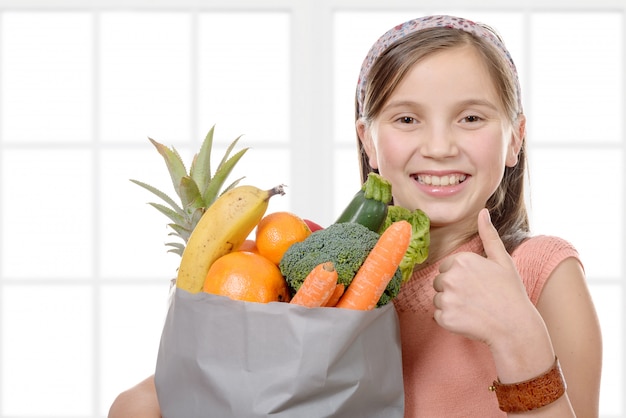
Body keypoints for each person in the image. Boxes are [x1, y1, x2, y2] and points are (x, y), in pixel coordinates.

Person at [109, 14, 602, 417]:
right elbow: (145, 404)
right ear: (367, 140)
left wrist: (521, 337)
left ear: (514, 137)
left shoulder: (543, 274)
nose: (439, 146)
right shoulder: (317, 275)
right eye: (407, 119)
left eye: (471, 117)